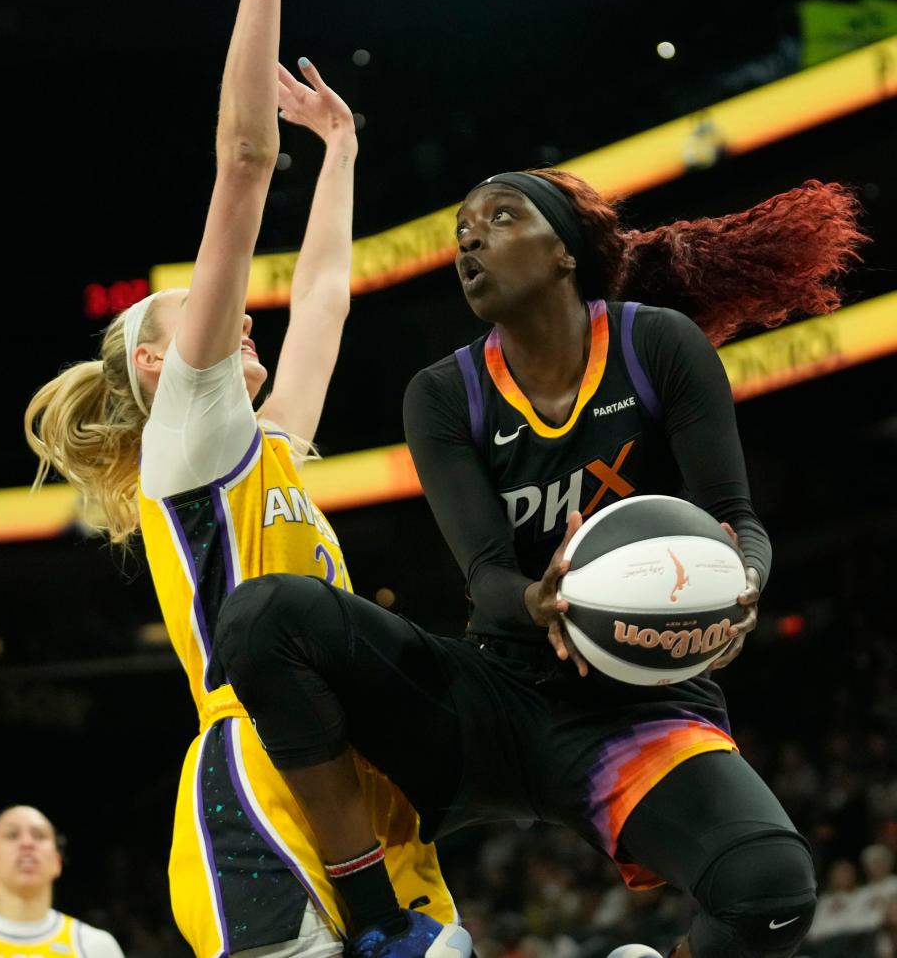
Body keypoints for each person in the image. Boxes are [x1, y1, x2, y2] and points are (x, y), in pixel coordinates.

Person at [24, 0, 465, 958]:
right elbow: (237, 162)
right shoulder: (192, 435)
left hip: (346, 766)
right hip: (254, 790)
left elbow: (322, 294)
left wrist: (348, 148)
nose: (245, 333)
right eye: (211, 324)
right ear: (164, 361)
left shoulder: (268, 447)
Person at [214, 168, 866, 958]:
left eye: (499, 217)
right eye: (461, 230)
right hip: (495, 691)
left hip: (639, 704)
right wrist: (537, 600)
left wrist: (745, 582)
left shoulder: (654, 344)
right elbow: (485, 572)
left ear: (563, 250)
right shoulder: (444, 393)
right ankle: (382, 927)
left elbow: (736, 518)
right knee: (266, 615)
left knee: (772, 893)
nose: (469, 239)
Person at [0, 805, 124, 958]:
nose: (27, 843)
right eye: (12, 835)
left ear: (57, 862)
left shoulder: (96, 947)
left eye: (39, 835)